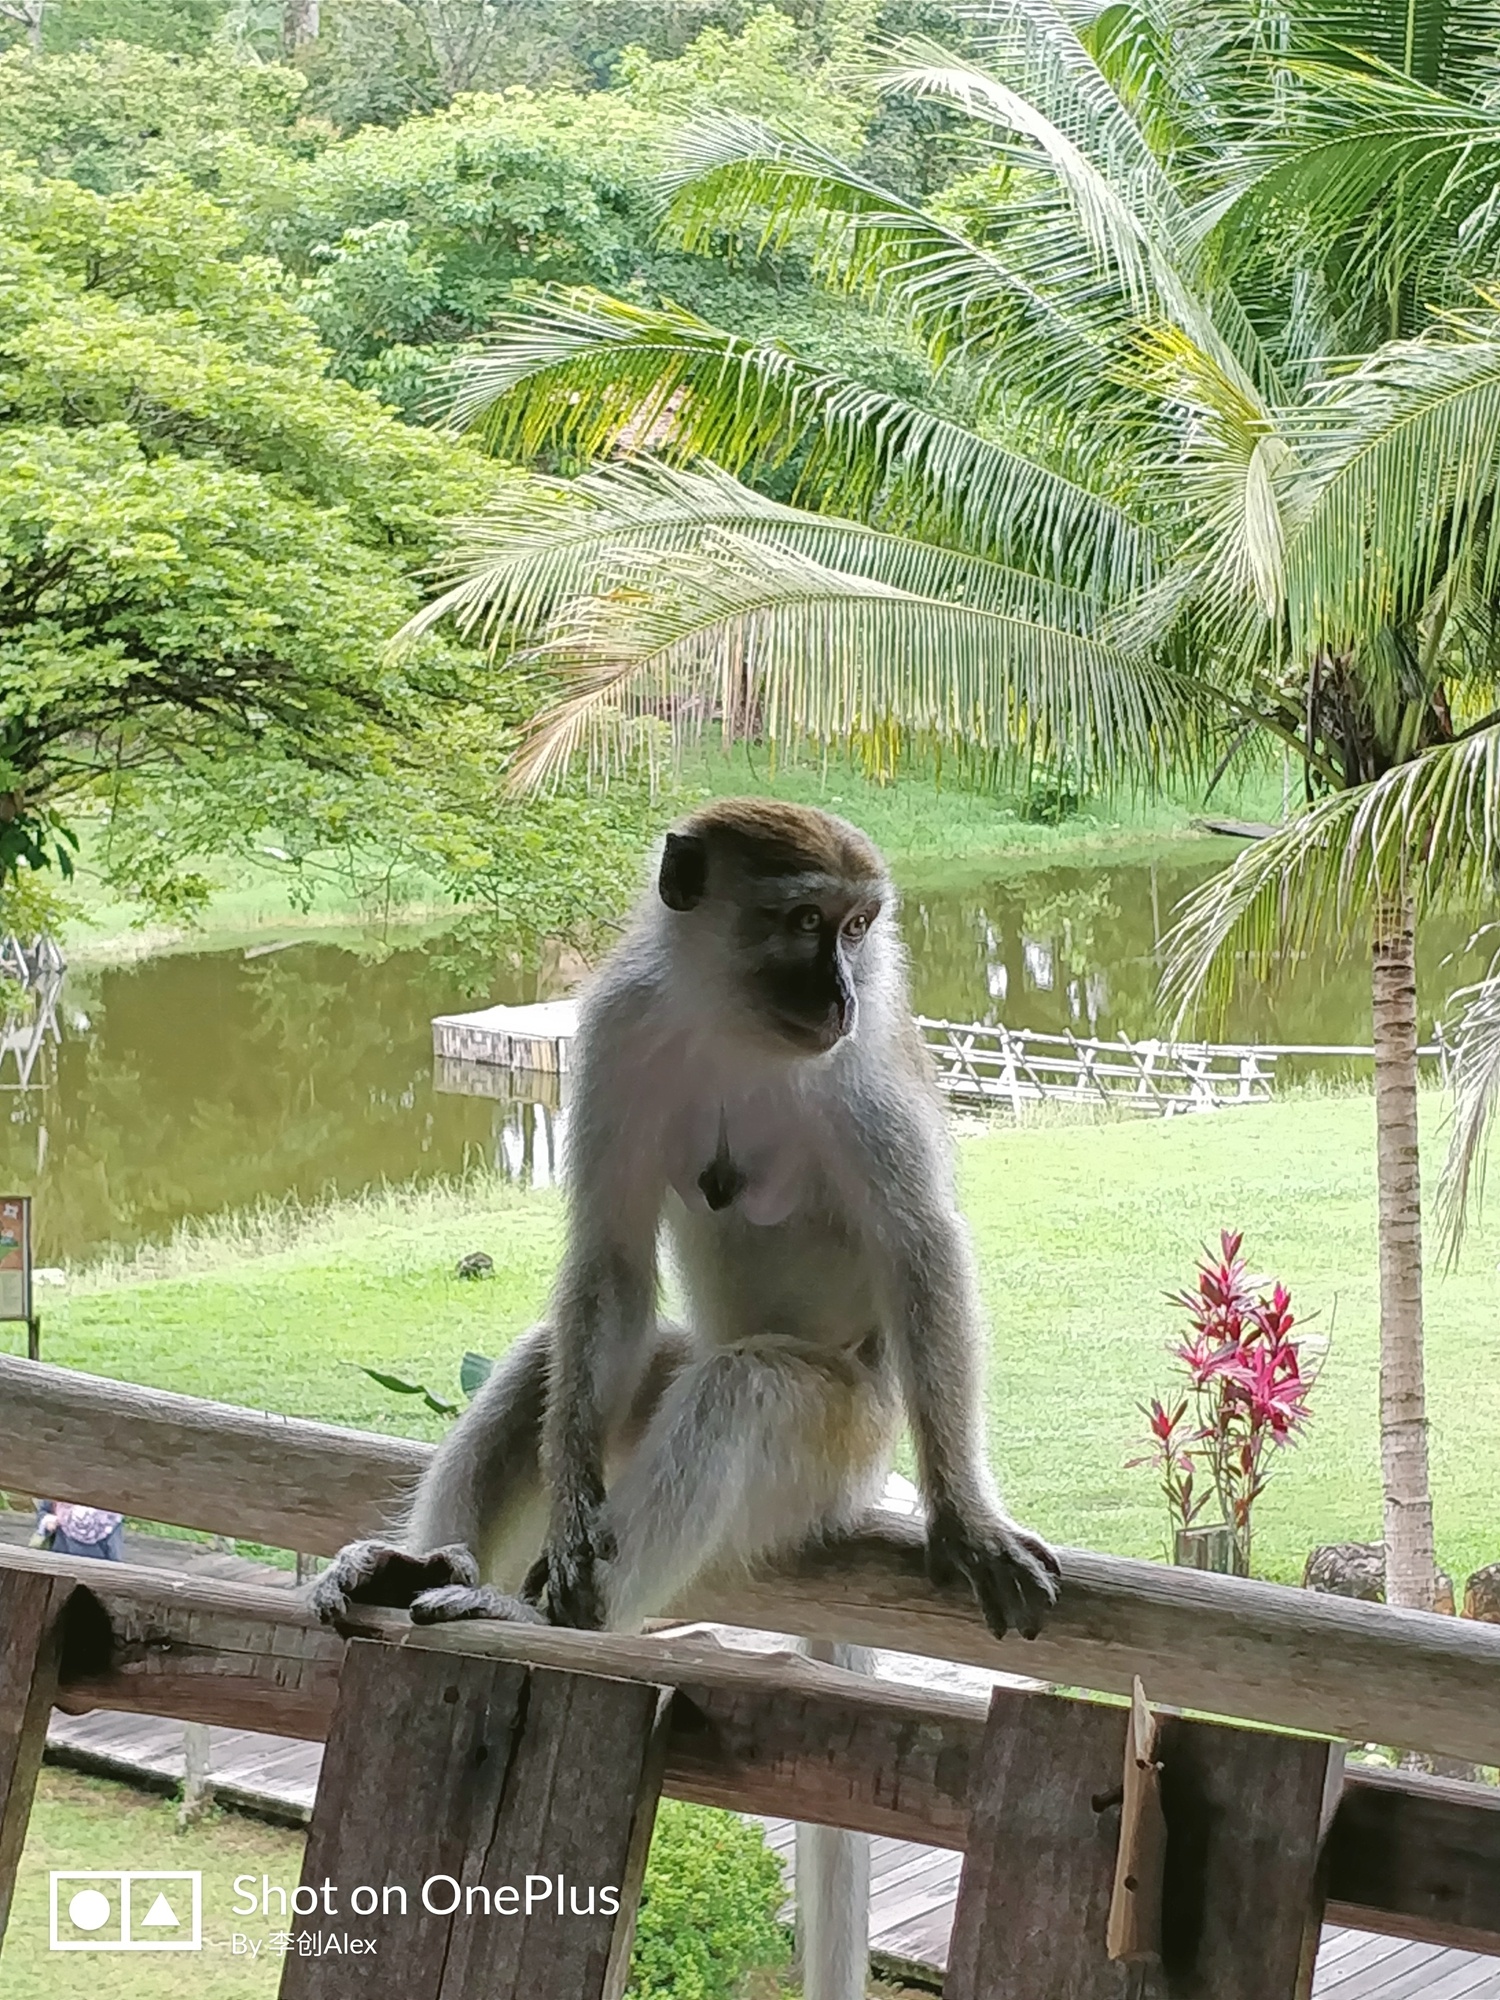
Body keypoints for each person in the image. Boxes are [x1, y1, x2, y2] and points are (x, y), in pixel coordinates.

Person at [31, 1499, 124, 1561]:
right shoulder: (61, 1487)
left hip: (95, 1572)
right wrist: (48, 1520)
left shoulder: (110, 1513)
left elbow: (115, 1554)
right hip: (60, 1562)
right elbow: (43, 1511)